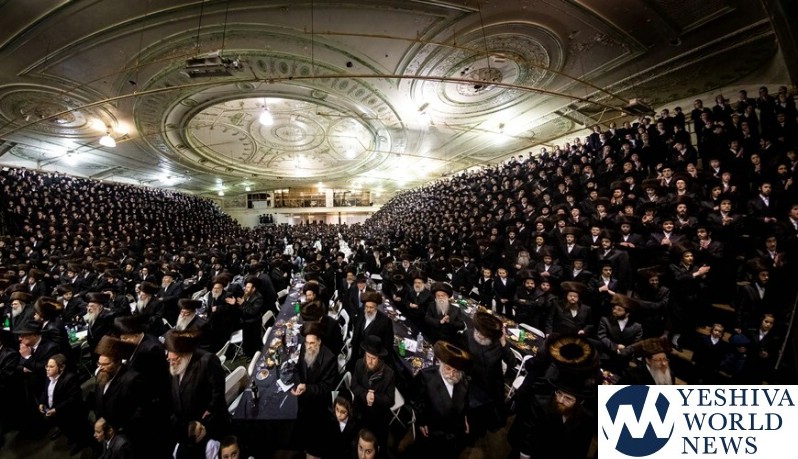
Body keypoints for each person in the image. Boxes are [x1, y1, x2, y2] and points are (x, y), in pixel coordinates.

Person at [508, 335, 597, 459]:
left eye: (568, 398)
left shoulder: (586, 417)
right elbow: (529, 433)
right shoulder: (541, 401)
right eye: (560, 394)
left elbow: (579, 448)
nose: (561, 400)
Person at [164, 329, 228, 441]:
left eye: (175, 358)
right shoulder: (172, 363)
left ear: (185, 353)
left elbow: (218, 394)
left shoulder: (207, 361)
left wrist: (204, 420)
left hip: (208, 427)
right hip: (185, 427)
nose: (171, 361)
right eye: (169, 358)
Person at [413, 340, 471, 459]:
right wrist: (421, 421)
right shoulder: (426, 376)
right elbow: (418, 401)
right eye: (448, 369)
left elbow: (465, 402)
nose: (452, 374)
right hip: (432, 431)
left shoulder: (464, 382)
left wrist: (464, 417)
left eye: (455, 371)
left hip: (453, 433)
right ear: (441, 364)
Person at [292, 321, 338, 458]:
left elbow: (327, 387)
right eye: (307, 343)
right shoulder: (304, 347)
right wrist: (299, 384)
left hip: (318, 406)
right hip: (303, 401)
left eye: (312, 343)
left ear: (319, 341)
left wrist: (307, 388)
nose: (308, 346)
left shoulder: (330, 358)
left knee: (315, 437)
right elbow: (297, 369)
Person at [93, 335, 148, 448]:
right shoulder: (101, 374)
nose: (101, 368)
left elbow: (140, 411)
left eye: (106, 364)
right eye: (99, 364)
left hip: (126, 434)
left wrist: (116, 426)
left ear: (118, 362)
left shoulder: (132, 379)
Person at [464, 311, 514, 435]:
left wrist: (504, 342)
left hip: (492, 382)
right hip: (473, 379)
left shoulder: (497, 343)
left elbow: (512, 362)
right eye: (478, 331)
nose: (479, 335)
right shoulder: (468, 335)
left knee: (492, 412)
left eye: (483, 335)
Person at [38, 353, 91, 454]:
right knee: (66, 429)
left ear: (61, 367)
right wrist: (42, 402)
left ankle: (81, 444)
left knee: (76, 430)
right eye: (47, 366)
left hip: (70, 413)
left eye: (51, 367)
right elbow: (45, 392)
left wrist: (56, 409)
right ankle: (72, 438)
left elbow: (73, 399)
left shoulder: (70, 378)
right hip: (58, 414)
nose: (47, 369)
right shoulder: (49, 376)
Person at [350, 335, 395, 449]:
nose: (369, 361)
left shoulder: (389, 374)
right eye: (368, 356)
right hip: (360, 411)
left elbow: (390, 400)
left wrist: (375, 397)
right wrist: (365, 394)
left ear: (379, 358)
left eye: (373, 358)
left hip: (378, 416)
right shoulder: (359, 364)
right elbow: (353, 385)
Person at [597, 294, 643, 374]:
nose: (614, 311)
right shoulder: (605, 320)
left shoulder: (637, 327)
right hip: (607, 357)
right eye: (614, 308)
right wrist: (615, 347)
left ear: (627, 313)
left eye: (619, 310)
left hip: (625, 360)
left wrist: (623, 352)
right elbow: (602, 336)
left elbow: (636, 344)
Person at [349, 291, 394, 368]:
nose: (368, 310)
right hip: (357, 355)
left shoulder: (385, 322)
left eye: (371, 307)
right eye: (366, 307)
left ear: (376, 307)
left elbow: (388, 346)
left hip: (371, 360)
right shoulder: (361, 312)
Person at [226, 277, 263, 357]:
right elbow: (241, 308)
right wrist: (234, 304)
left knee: (254, 343)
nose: (246, 288)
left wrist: (243, 303)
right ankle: (249, 355)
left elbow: (252, 311)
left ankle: (255, 356)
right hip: (245, 322)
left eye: (248, 287)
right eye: (246, 286)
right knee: (247, 343)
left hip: (253, 324)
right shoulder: (245, 295)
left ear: (253, 289)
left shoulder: (259, 297)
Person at [326, 392, 359, 459]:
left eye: (343, 412)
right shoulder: (330, 420)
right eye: (337, 409)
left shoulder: (355, 425)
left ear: (349, 410)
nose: (338, 415)